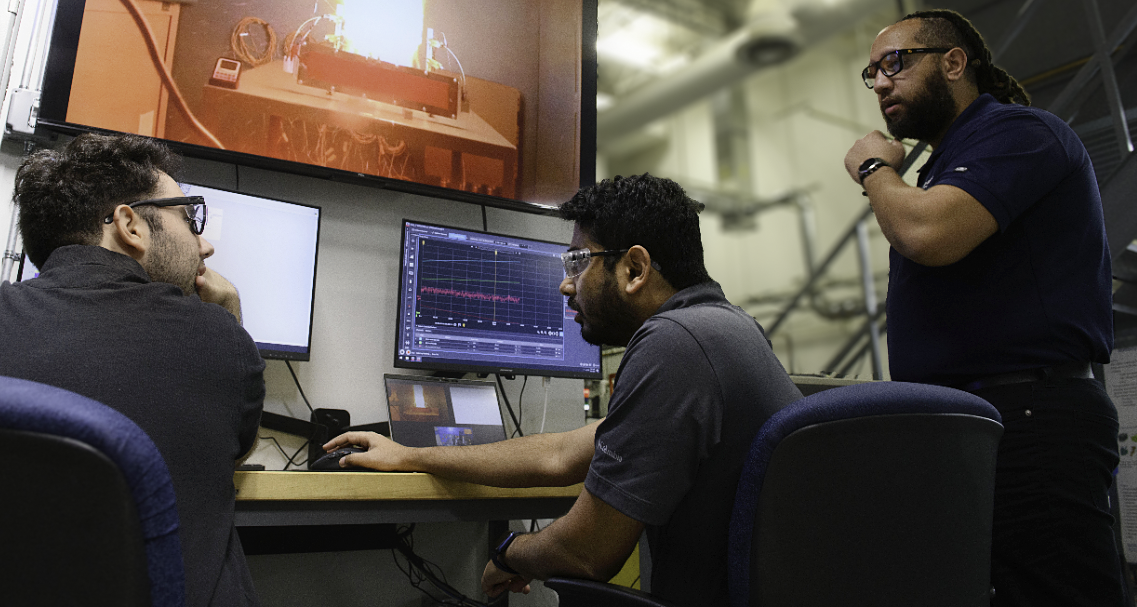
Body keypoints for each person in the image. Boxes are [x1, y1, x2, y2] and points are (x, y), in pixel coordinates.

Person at [325, 173, 802, 605]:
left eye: (578, 262)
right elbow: (560, 454)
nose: (566, 286)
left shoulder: (674, 344)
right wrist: (409, 455)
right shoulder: (727, 328)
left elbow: (588, 553)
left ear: (635, 269)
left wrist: (510, 553)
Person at [0, 132, 266, 607]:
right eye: (189, 219)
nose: (203, 245)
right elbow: (235, 452)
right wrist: (229, 314)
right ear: (130, 225)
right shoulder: (212, 336)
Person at [842, 9, 1122, 606]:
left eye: (895, 63)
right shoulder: (942, 164)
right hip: (977, 419)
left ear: (953, 62)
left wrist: (873, 169)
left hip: (1029, 416)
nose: (882, 83)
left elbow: (927, 233)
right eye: (873, 73)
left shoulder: (1019, 132)